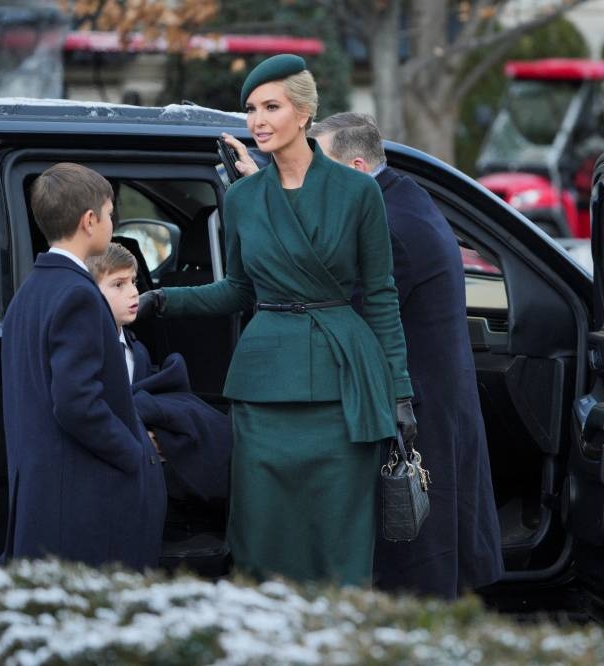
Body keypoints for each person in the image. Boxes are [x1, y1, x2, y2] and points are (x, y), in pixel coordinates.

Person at [137, 54, 416, 586]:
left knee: (337, 531)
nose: (257, 120)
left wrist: (399, 393)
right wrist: (161, 300)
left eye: (271, 106)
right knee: (263, 531)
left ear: (305, 112)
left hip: (343, 387)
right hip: (264, 389)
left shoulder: (358, 192)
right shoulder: (242, 198)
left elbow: (380, 296)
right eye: (250, 109)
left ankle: (336, 633)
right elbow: (239, 290)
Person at [300, 112, 503, 599]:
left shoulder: (389, 227)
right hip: (422, 403)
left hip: (411, 417)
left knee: (414, 570)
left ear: (352, 166)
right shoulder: (399, 199)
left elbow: (340, 318)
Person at [0, 163, 166, 570]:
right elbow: (77, 402)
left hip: (41, 493)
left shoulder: (31, 290)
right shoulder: (78, 294)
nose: (112, 222)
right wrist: (133, 452)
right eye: (110, 214)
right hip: (78, 497)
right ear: (89, 220)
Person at [87, 242, 232, 501]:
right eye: (118, 285)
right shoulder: (85, 351)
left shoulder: (137, 350)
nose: (133, 293)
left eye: (133, 282)